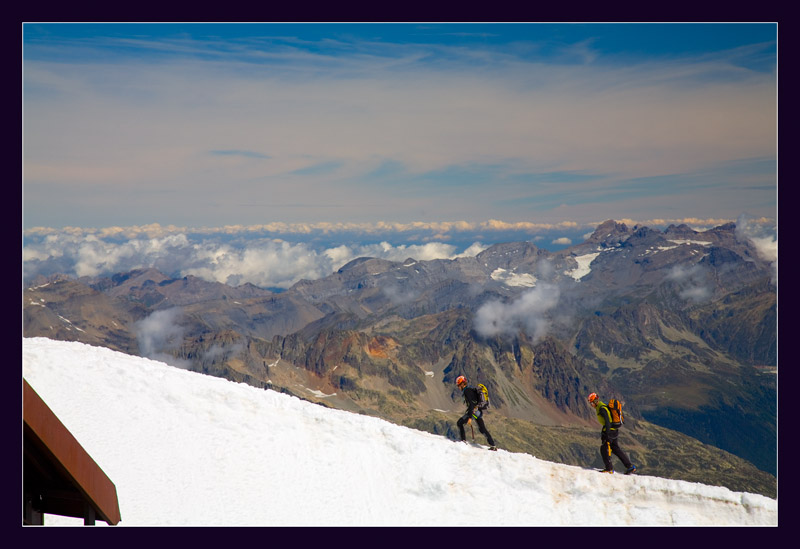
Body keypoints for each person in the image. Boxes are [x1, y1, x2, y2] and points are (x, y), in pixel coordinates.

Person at [588, 392, 636, 474]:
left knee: (604, 449)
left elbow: (607, 421)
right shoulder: (602, 406)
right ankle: (630, 466)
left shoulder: (601, 408)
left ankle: (609, 468)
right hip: (614, 430)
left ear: (595, 401)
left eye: (591, 402)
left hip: (609, 431)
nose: (591, 404)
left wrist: (606, 433)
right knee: (615, 449)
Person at [456, 375, 497, 450]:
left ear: (462, 384)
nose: (458, 387)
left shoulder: (466, 391)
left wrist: (469, 417)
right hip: (478, 411)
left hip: (473, 412)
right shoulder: (470, 389)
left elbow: (471, 404)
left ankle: (463, 441)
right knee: (482, 429)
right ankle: (493, 445)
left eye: (458, 385)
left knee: (459, 423)